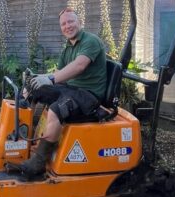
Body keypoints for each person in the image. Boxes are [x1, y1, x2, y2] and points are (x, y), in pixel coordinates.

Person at [8, 8, 107, 178]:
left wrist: (51, 79)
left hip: (89, 95)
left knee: (55, 110)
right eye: (64, 23)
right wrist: (37, 79)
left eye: (71, 21)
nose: (67, 26)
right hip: (71, 89)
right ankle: (21, 141)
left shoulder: (91, 41)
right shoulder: (68, 47)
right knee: (33, 89)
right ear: (61, 27)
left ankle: (38, 163)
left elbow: (78, 66)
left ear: (79, 22)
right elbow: (60, 72)